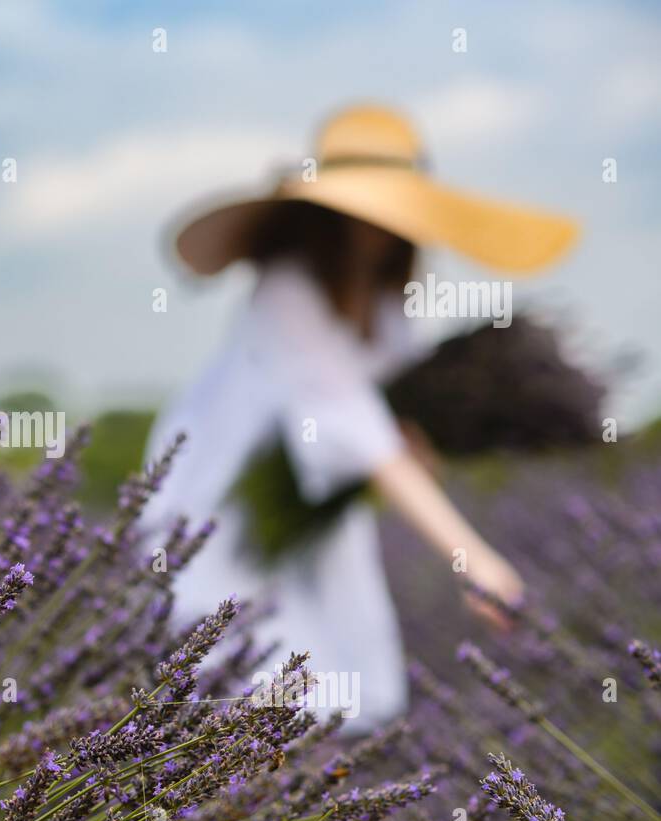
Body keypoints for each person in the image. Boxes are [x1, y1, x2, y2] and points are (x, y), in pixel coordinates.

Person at [143, 104, 578, 731]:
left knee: (334, 683)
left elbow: (383, 434)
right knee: (237, 680)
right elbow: (354, 429)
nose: (377, 225)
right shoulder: (289, 288)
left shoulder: (386, 302)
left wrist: (414, 450)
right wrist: (470, 558)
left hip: (311, 520)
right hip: (222, 508)